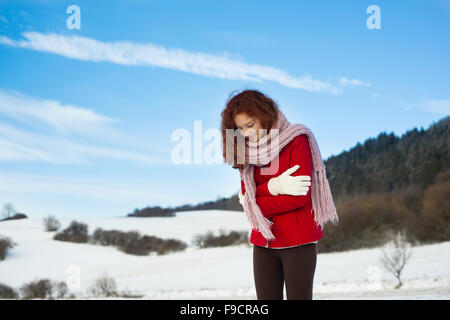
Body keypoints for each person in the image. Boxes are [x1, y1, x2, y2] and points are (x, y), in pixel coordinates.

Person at [220, 89, 338, 300]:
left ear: (264, 115)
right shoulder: (245, 151)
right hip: (263, 243)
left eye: (250, 124)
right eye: (240, 128)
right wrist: (274, 187)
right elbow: (249, 201)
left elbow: (299, 197)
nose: (246, 133)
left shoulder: (296, 139)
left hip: (298, 242)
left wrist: (256, 199)